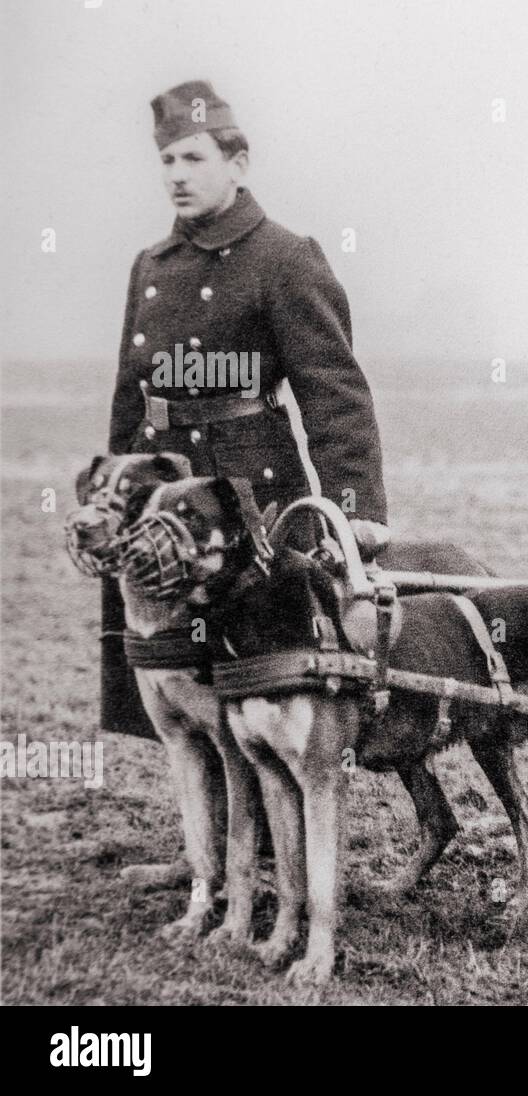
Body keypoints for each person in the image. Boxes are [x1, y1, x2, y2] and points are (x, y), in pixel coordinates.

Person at [101, 79, 390, 739]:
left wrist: (356, 522)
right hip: (164, 493)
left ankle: (267, 842)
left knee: (264, 674)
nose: (177, 175)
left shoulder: (284, 259)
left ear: (238, 163)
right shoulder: (150, 265)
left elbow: (335, 395)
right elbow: (129, 395)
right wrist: (115, 492)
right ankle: (214, 841)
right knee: (174, 669)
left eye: (194, 159)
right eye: (168, 161)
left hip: (249, 491)